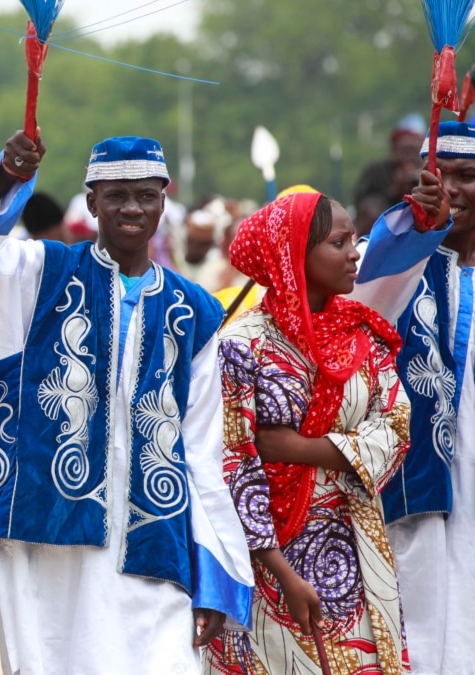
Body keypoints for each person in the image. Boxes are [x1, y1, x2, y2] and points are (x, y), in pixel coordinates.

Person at [0, 135, 253, 672]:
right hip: (47, 544)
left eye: (144, 195)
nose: (131, 208)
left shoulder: (196, 309)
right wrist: (8, 176)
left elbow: (201, 450)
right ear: (91, 203)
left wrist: (215, 576)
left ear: (163, 202)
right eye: (116, 195)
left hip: (153, 541)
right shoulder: (41, 271)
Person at [204, 192, 413, 673]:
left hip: (357, 543)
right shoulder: (242, 346)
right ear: (293, 254)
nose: (354, 252)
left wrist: (299, 447)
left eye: (353, 239)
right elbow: (233, 462)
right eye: (338, 242)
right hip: (267, 558)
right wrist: (281, 572)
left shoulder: (363, 335)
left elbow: (397, 425)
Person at [347, 120, 475, 675]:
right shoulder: (391, 263)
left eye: (467, 176)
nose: (450, 190)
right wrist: (412, 229)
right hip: (412, 490)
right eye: (437, 176)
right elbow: (358, 289)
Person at [353, 113, 426, 237]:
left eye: (413, 150)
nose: (408, 156)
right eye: (404, 150)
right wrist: (395, 189)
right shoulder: (376, 170)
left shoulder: (426, 171)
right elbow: (361, 202)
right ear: (394, 149)